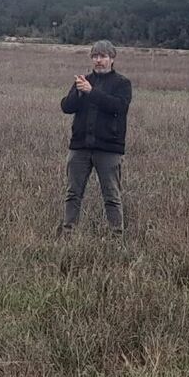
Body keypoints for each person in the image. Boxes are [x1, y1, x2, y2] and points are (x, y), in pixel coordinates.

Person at [60, 39, 132, 235]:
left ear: (112, 58)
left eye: (103, 56)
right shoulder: (82, 81)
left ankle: (116, 236)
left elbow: (118, 107)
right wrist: (79, 93)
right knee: (73, 194)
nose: (98, 60)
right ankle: (68, 233)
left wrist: (91, 92)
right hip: (80, 147)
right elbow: (66, 107)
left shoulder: (122, 84)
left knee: (111, 195)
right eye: (95, 56)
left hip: (108, 148)